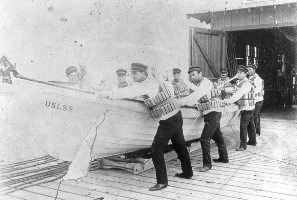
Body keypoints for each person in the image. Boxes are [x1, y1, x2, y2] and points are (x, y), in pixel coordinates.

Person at [97, 63, 193, 191]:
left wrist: (107, 94)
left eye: (135, 73)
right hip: (177, 115)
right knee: (180, 145)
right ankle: (188, 172)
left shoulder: (146, 85)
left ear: (144, 73)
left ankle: (162, 182)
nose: (133, 76)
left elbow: (128, 91)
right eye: (131, 73)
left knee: (155, 150)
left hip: (168, 120)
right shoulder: (154, 82)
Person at [178, 66, 229, 172]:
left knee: (204, 139)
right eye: (190, 75)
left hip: (213, 113)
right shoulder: (202, 84)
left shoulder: (205, 84)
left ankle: (207, 164)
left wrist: (178, 102)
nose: (192, 77)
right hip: (212, 112)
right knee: (218, 136)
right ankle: (224, 158)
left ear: (200, 73)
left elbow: (195, 95)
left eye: (194, 75)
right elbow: (197, 92)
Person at [224, 65, 256, 150]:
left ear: (245, 74)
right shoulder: (241, 82)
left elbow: (238, 94)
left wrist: (228, 101)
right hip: (249, 105)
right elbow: (234, 89)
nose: (238, 74)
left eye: (241, 73)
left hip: (247, 107)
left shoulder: (246, 84)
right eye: (238, 72)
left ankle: (243, 145)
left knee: (243, 126)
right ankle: (253, 141)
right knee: (250, 124)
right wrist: (224, 90)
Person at [247, 64, 264, 136]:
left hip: (258, 100)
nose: (248, 71)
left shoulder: (258, 79)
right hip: (252, 99)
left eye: (250, 69)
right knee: (254, 115)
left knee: (255, 115)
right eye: (247, 69)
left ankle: (256, 132)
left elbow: (257, 90)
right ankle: (255, 131)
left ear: (254, 70)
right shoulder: (249, 78)